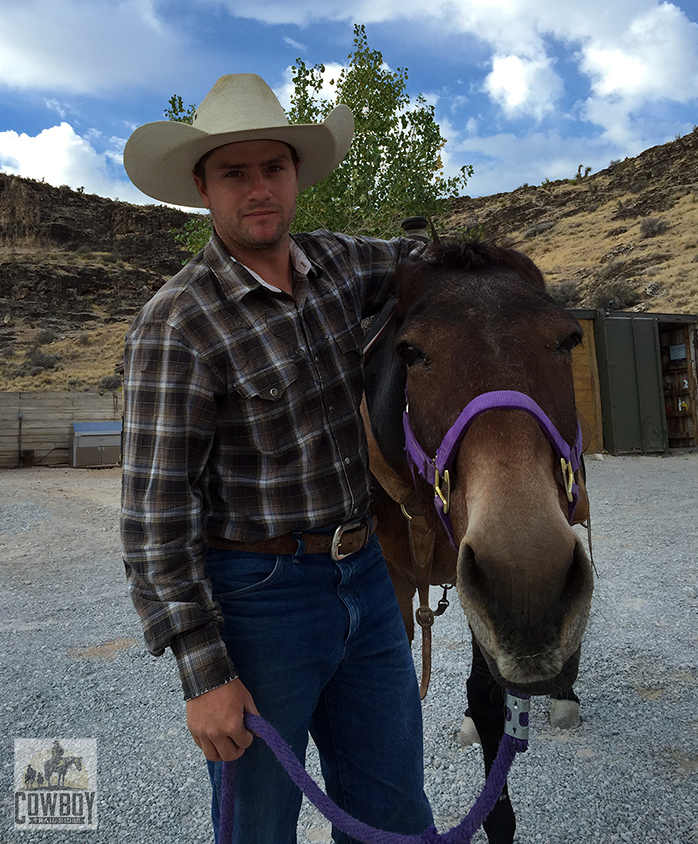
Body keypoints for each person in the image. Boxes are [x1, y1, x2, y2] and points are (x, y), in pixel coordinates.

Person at [120, 73, 433, 844]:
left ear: (297, 176)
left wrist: (500, 271)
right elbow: (155, 518)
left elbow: (426, 261)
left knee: (393, 808)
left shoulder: (338, 266)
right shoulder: (178, 324)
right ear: (202, 188)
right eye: (235, 172)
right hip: (256, 600)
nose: (259, 189)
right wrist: (206, 673)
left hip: (365, 573)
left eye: (274, 168)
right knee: (259, 823)